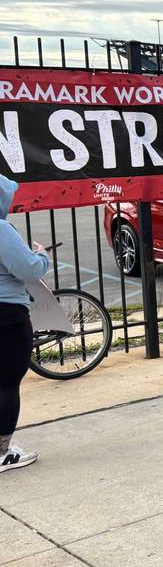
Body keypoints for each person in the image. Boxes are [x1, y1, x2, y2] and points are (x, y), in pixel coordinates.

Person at [0, 177, 49, 474]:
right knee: (7, 383)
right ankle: (3, 451)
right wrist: (42, 255)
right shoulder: (2, 230)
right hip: (7, 314)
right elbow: (28, 268)